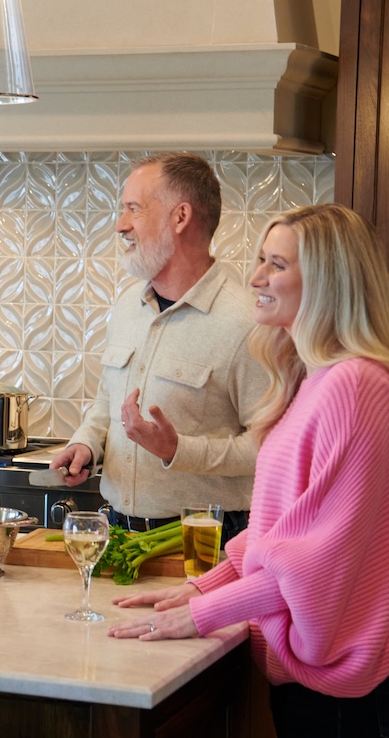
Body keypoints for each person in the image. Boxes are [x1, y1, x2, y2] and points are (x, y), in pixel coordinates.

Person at [107, 204, 389, 737]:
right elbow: (279, 532)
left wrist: (201, 614)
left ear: (329, 282)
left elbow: (320, 560)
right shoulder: (315, 380)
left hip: (353, 683)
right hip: (319, 669)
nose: (256, 277)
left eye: (276, 265)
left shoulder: (357, 388)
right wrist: (203, 589)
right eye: (261, 259)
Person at [50, 152, 267, 544]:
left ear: (180, 217)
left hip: (205, 540)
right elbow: (107, 400)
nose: (121, 225)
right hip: (118, 531)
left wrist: (177, 450)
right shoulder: (127, 308)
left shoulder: (247, 324)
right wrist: (86, 443)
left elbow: (270, 447)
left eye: (134, 209)